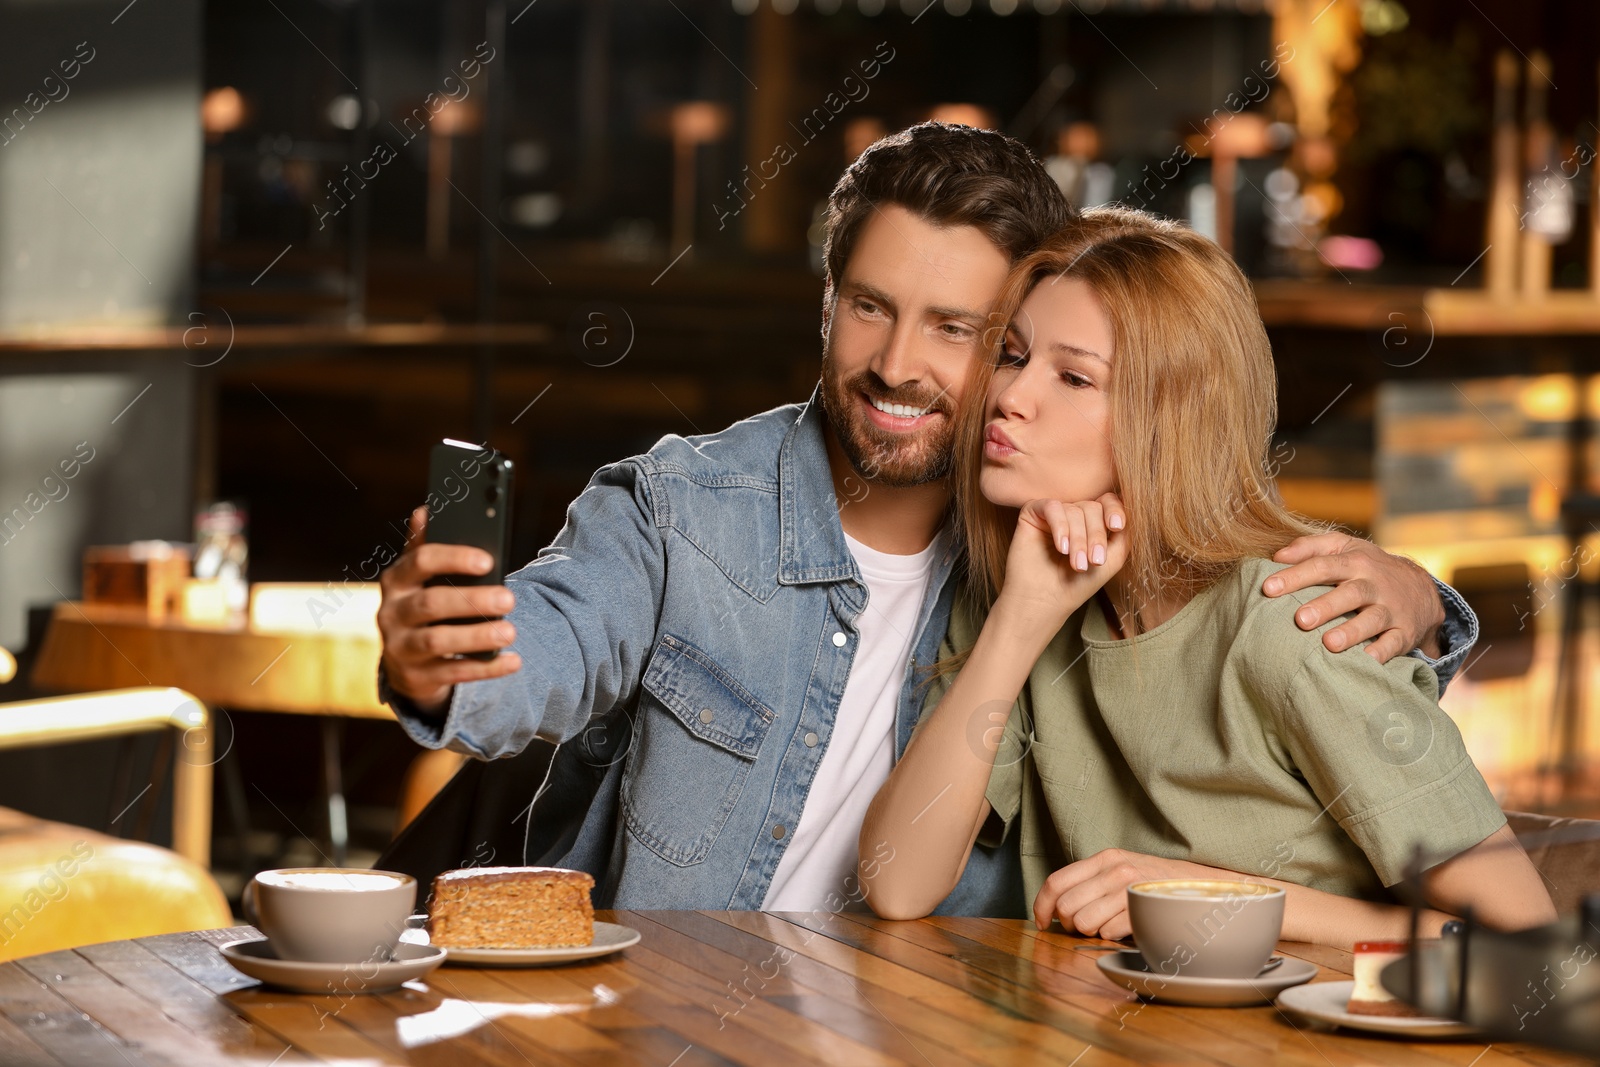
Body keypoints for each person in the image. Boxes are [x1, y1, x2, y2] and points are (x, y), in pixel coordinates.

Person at [377, 123, 1479, 917]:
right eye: (868, 306)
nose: (896, 365)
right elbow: (545, 644)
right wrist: (444, 655)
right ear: (826, 300)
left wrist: (1420, 596)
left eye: (957, 327)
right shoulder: (683, 506)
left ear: (1017, 340)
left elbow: (1226, 573)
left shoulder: (1048, 554)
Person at [858, 207, 1554, 942]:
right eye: (1012, 354)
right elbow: (898, 882)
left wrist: (1211, 898)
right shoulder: (1027, 586)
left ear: (1171, 416)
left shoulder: (1293, 624)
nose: (1009, 397)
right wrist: (1020, 621)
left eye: (1072, 376)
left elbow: (1531, 946)